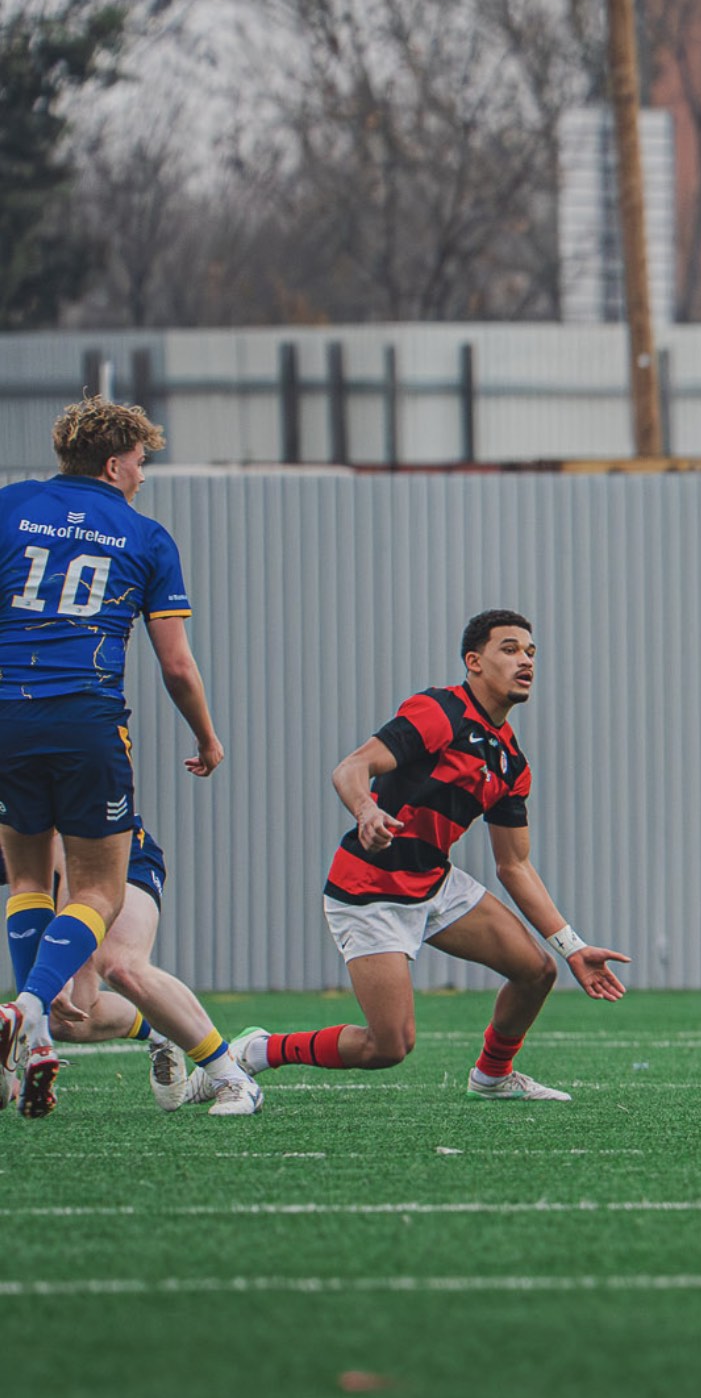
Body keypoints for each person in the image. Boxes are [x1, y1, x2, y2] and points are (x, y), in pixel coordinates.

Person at [234, 613, 626, 1100]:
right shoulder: (439, 712)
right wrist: (366, 811)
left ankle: (492, 1076)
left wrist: (573, 948)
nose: (525, 660)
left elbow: (514, 866)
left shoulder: (510, 762)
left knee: (537, 971)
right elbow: (351, 767)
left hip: (434, 883)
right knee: (388, 1046)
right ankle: (259, 1051)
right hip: (370, 890)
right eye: (509, 649)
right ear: (474, 662)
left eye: (531, 652)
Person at [0, 396, 224, 1119]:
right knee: (98, 890)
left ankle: (34, 1032)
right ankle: (31, 1006)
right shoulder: (144, 535)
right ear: (112, 462)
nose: (142, 476)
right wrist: (207, 737)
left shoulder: (10, 506)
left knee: (28, 875)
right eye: (139, 463)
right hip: (84, 716)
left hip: (5, 712)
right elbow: (178, 667)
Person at [40, 821, 266, 1117]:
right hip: (58, 878)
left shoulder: (30, 783)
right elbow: (27, 885)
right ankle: (160, 1029)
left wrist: (60, 966)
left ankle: (231, 1076)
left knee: (121, 965)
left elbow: (68, 855)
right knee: (62, 1019)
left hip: (113, 852)